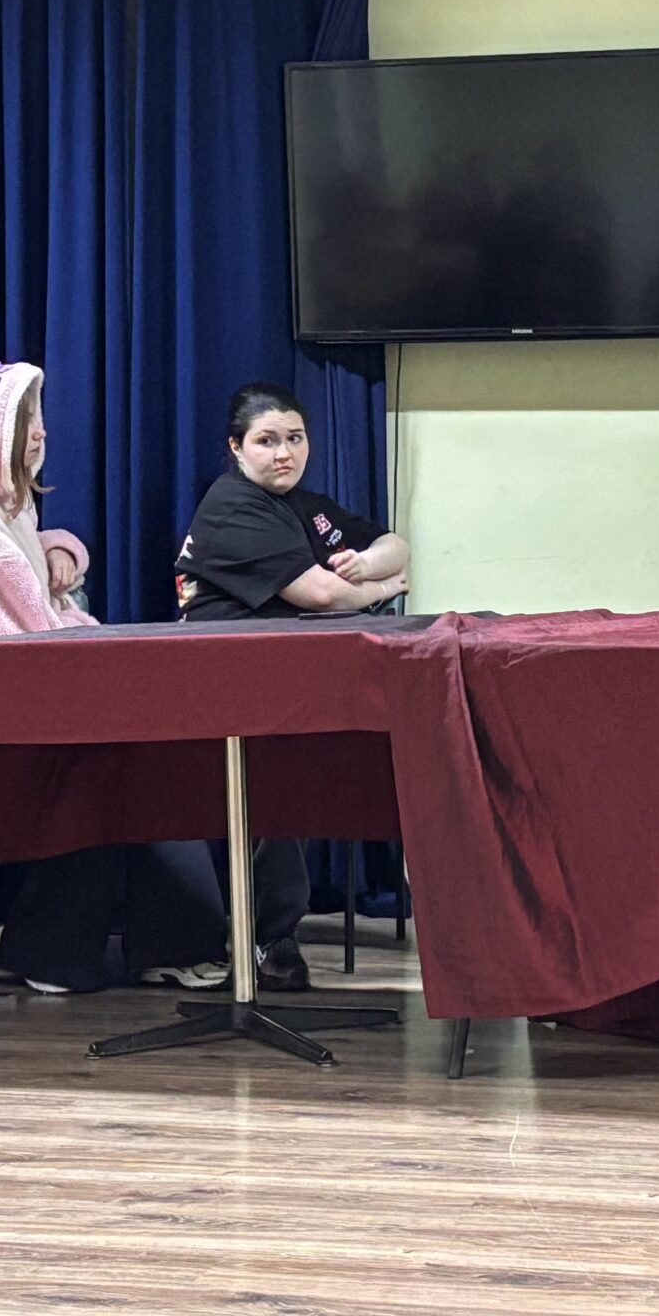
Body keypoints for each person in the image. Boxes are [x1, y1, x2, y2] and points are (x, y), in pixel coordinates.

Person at [0, 355, 226, 993]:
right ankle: (86, 948)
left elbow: (28, 611)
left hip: (8, 686)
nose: (41, 432)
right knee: (119, 761)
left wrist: (57, 548)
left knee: (139, 752)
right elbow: (22, 635)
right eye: (23, 421)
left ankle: (74, 947)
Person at [174, 381, 409, 992]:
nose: (285, 453)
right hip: (223, 690)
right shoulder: (233, 507)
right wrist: (383, 589)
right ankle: (265, 936)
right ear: (236, 448)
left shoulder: (305, 505)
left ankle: (273, 929)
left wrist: (369, 565)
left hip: (291, 683)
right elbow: (322, 596)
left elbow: (396, 545)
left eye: (296, 438)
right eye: (267, 441)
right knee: (275, 790)